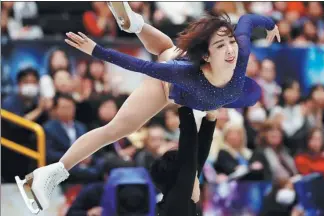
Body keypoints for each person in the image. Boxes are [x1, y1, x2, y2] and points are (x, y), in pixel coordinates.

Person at [15, 2, 279, 214]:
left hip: (198, 86)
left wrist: (271, 26)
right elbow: (143, 66)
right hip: (169, 85)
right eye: (221, 45)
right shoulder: (184, 74)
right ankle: (50, 174)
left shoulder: (239, 56)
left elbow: (247, 21)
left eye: (231, 42)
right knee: (118, 128)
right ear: (207, 55)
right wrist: (97, 50)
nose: (231, 48)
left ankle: (135, 23)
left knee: (168, 48)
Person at [150, 106, 216, 216]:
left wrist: (210, 119)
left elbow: (197, 157)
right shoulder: (176, 205)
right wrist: (185, 106)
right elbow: (189, 146)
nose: (198, 181)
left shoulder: (177, 201)